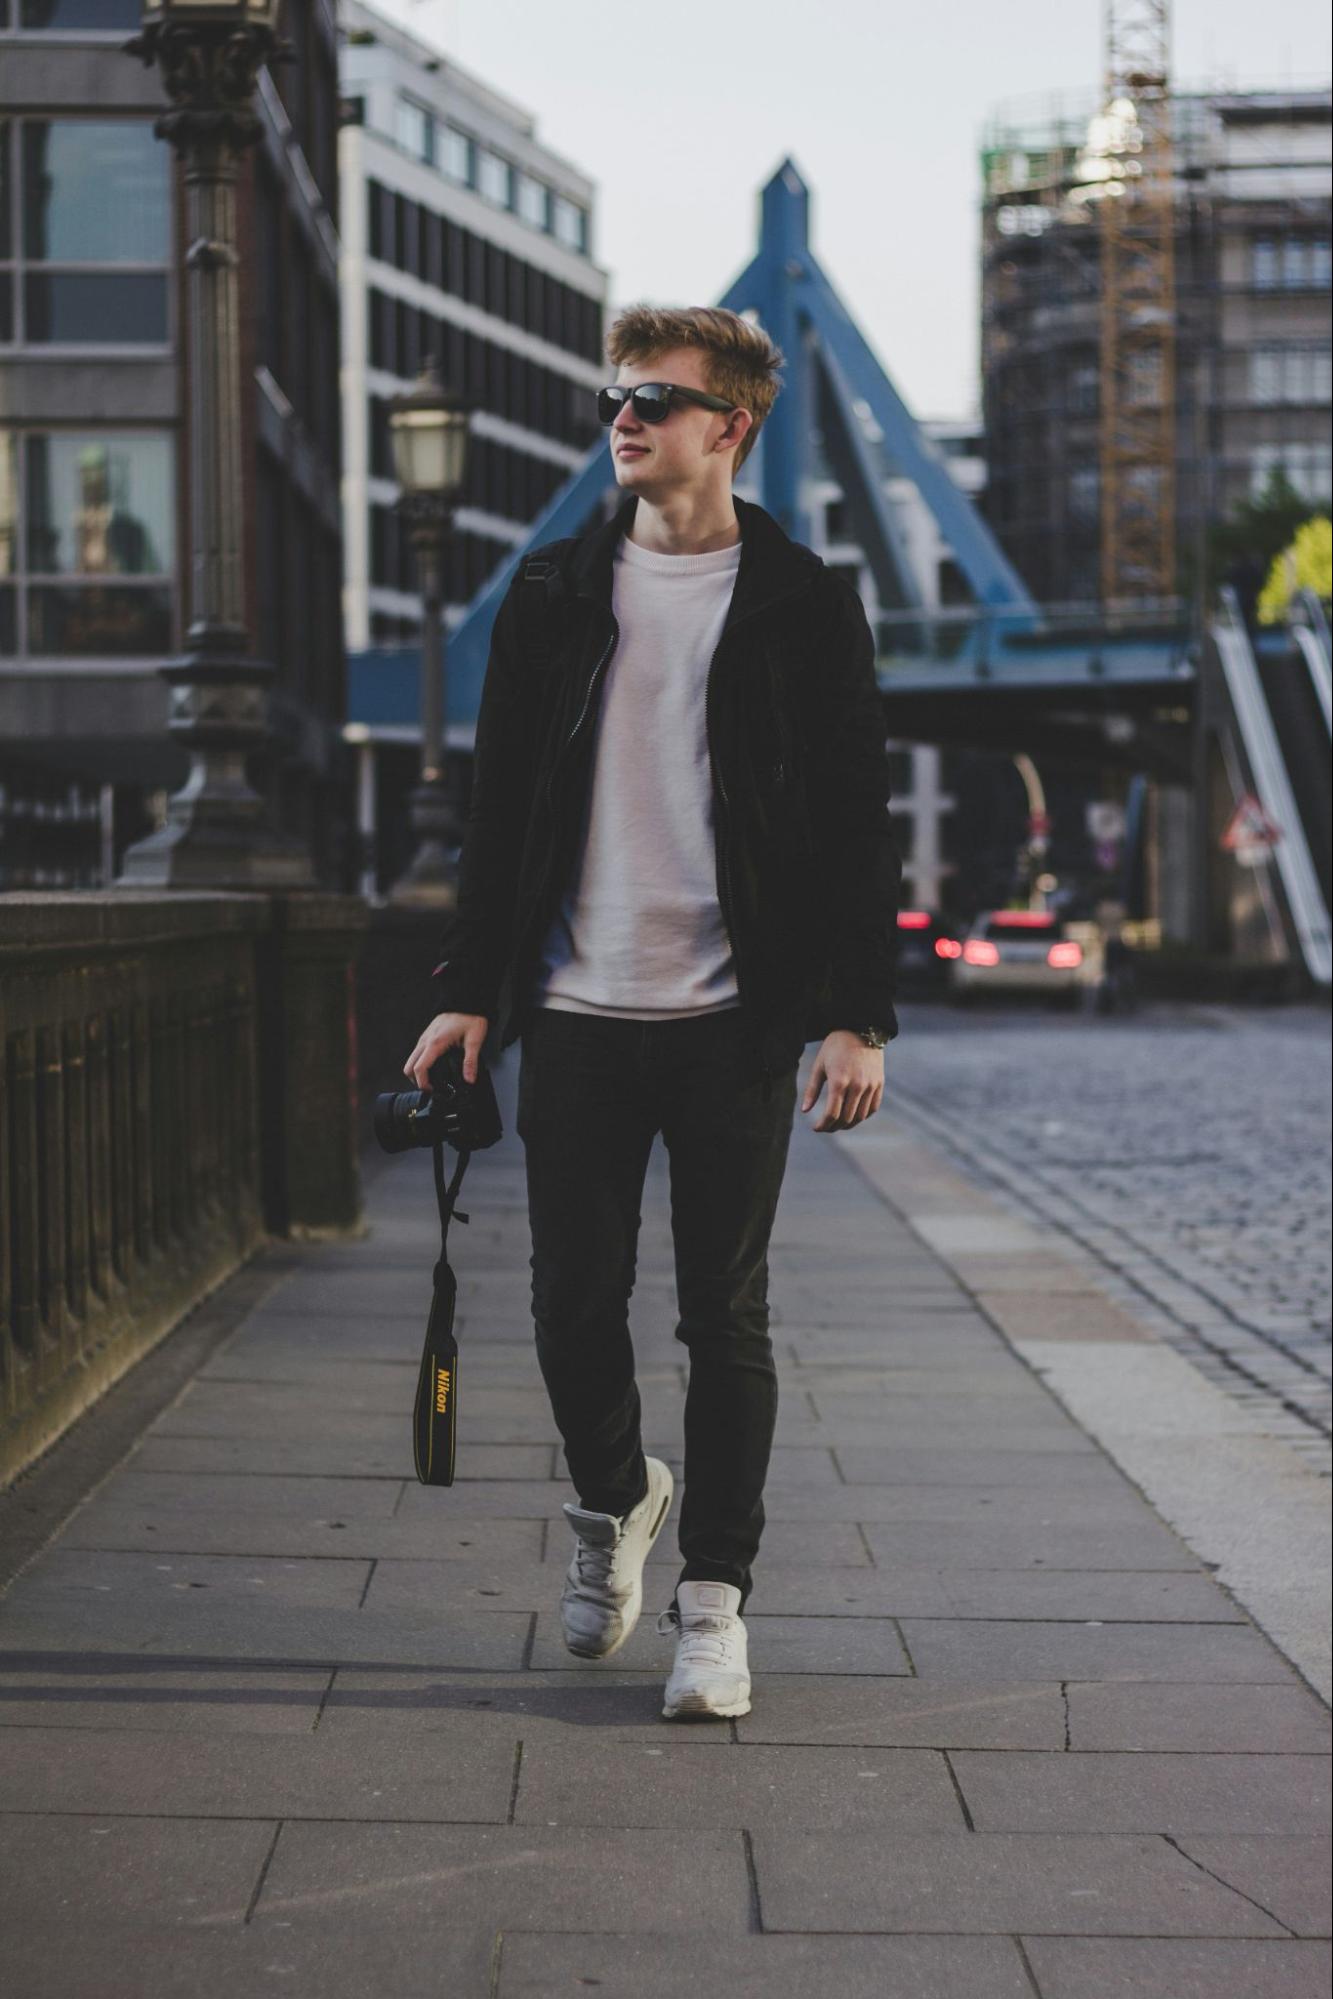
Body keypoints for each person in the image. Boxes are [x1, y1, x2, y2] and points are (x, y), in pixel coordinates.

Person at [404, 304, 901, 1720]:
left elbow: (856, 822)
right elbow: (499, 813)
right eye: (615, 398)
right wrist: (470, 997)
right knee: (569, 1304)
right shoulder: (556, 588)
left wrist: (854, 1013)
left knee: (719, 1316)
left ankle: (710, 1605)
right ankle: (615, 1499)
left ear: (728, 427)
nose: (624, 418)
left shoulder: (802, 601)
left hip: (733, 1018)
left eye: (655, 399)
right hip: (576, 1007)